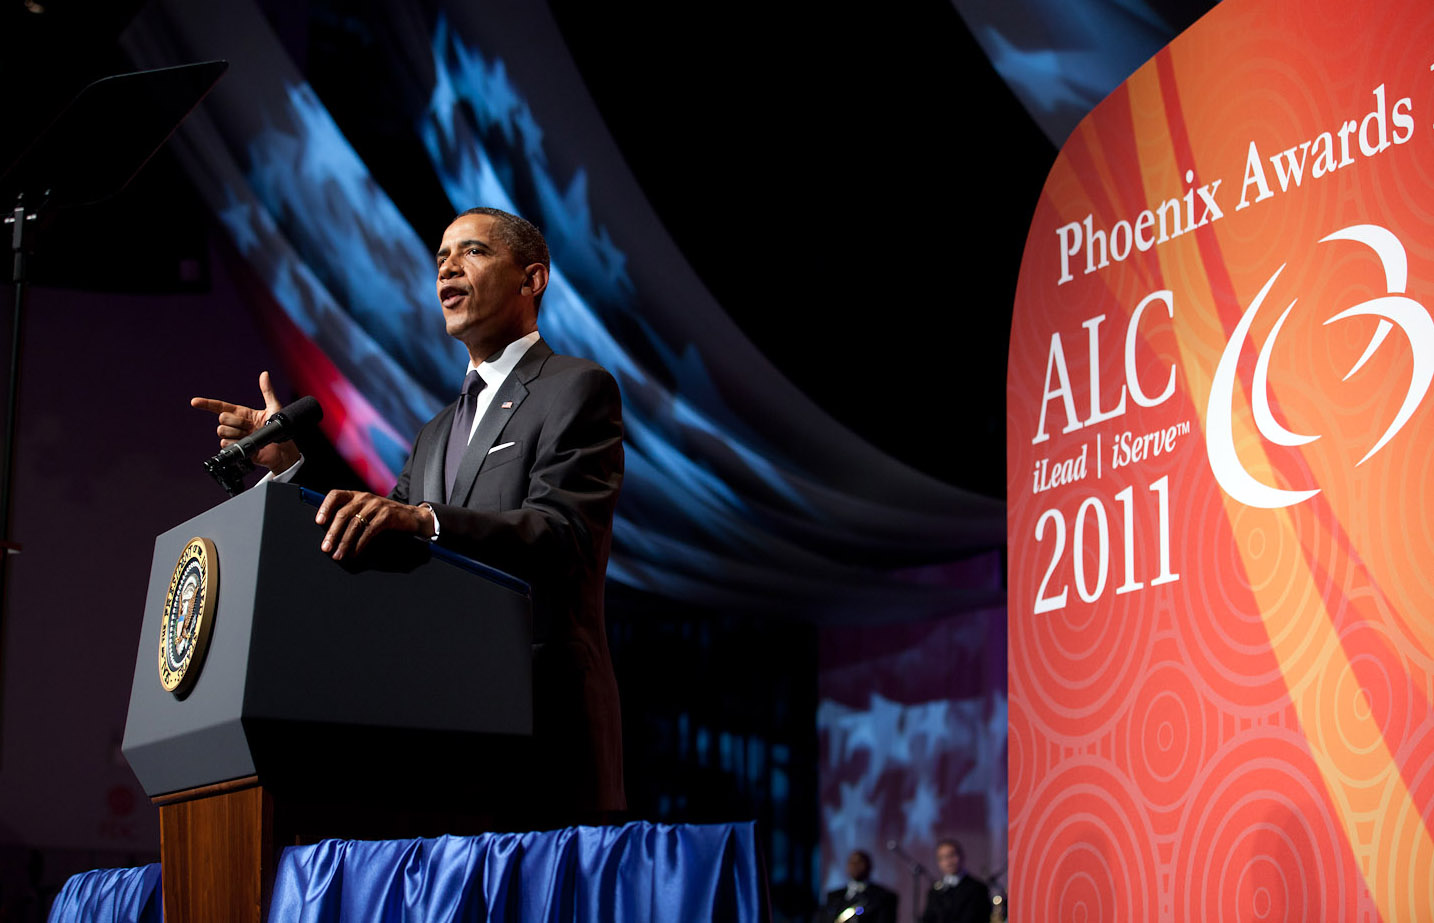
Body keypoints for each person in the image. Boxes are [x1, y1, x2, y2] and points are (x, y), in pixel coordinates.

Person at [192, 206, 625, 819]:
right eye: (441, 257)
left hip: (541, 724)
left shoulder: (576, 388)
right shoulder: (433, 434)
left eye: (472, 252)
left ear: (532, 280)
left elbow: (564, 535)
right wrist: (290, 466)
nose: (447, 266)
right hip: (441, 739)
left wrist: (427, 520)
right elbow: (378, 532)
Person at [920, 839, 990, 923]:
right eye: (942, 858)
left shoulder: (978, 889)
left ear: (961, 856)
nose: (948, 862)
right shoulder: (934, 892)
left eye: (951, 855)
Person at [822, 850, 898, 923]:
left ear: (869, 866)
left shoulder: (883, 897)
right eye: (852, 862)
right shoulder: (833, 896)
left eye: (860, 862)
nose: (855, 866)